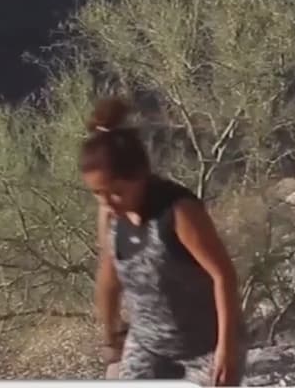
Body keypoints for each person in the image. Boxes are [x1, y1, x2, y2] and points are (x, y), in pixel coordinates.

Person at [81, 97, 244, 385]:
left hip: (204, 348)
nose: (107, 202)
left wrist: (227, 349)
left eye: (115, 191)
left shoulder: (178, 212)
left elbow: (223, 276)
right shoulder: (110, 215)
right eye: (97, 193)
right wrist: (110, 338)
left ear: (140, 175)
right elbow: (108, 275)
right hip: (147, 346)